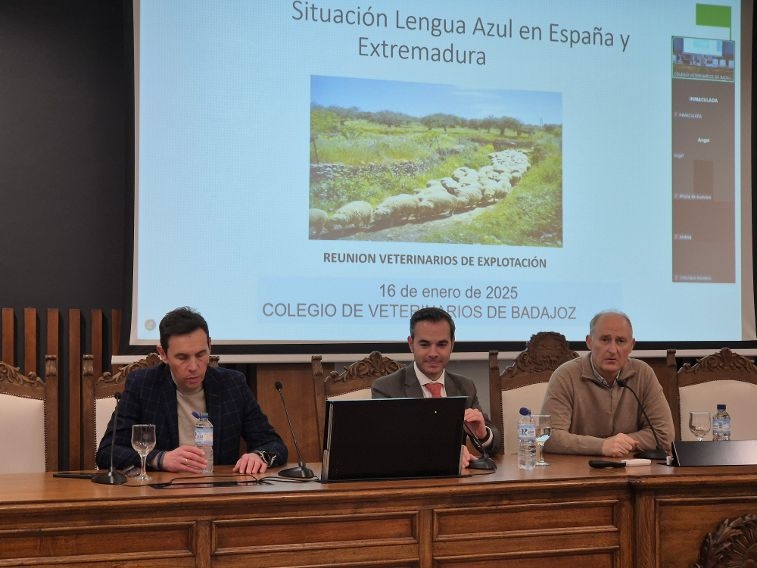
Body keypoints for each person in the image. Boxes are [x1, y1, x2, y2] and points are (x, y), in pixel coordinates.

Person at [96, 307, 287, 474]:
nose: (194, 366)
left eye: (200, 354)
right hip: (163, 495)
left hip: (218, 493)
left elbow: (274, 444)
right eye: (182, 357)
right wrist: (160, 459)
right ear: (163, 354)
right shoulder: (142, 385)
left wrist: (258, 456)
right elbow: (107, 452)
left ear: (210, 346)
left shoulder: (232, 384)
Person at [371, 307, 502, 465]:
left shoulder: (465, 386)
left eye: (441, 345)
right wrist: (447, 454)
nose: (433, 353)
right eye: (425, 345)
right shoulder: (387, 388)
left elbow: (495, 444)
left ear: (452, 345)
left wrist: (482, 434)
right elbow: (386, 447)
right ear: (411, 344)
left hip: (459, 484)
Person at [541, 310, 675, 457]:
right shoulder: (565, 375)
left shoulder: (643, 373)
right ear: (589, 342)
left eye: (621, 341)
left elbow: (664, 435)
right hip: (578, 470)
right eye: (605, 340)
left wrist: (618, 444)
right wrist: (601, 446)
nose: (612, 349)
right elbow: (549, 436)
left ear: (631, 345)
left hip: (630, 469)